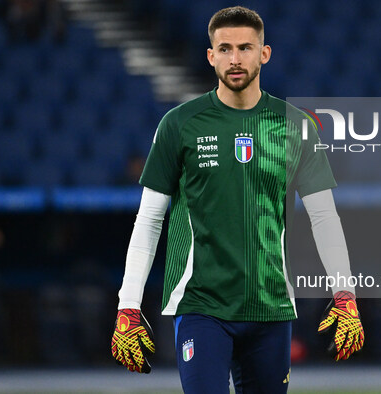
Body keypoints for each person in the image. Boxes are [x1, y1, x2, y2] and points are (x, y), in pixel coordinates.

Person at [110, 6, 364, 393]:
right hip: (200, 306)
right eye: (224, 48)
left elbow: (324, 217)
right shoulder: (179, 125)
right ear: (210, 56)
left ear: (264, 53)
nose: (235, 58)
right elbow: (148, 220)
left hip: (271, 306)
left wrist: (344, 293)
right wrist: (128, 304)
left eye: (245, 47)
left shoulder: (295, 126)